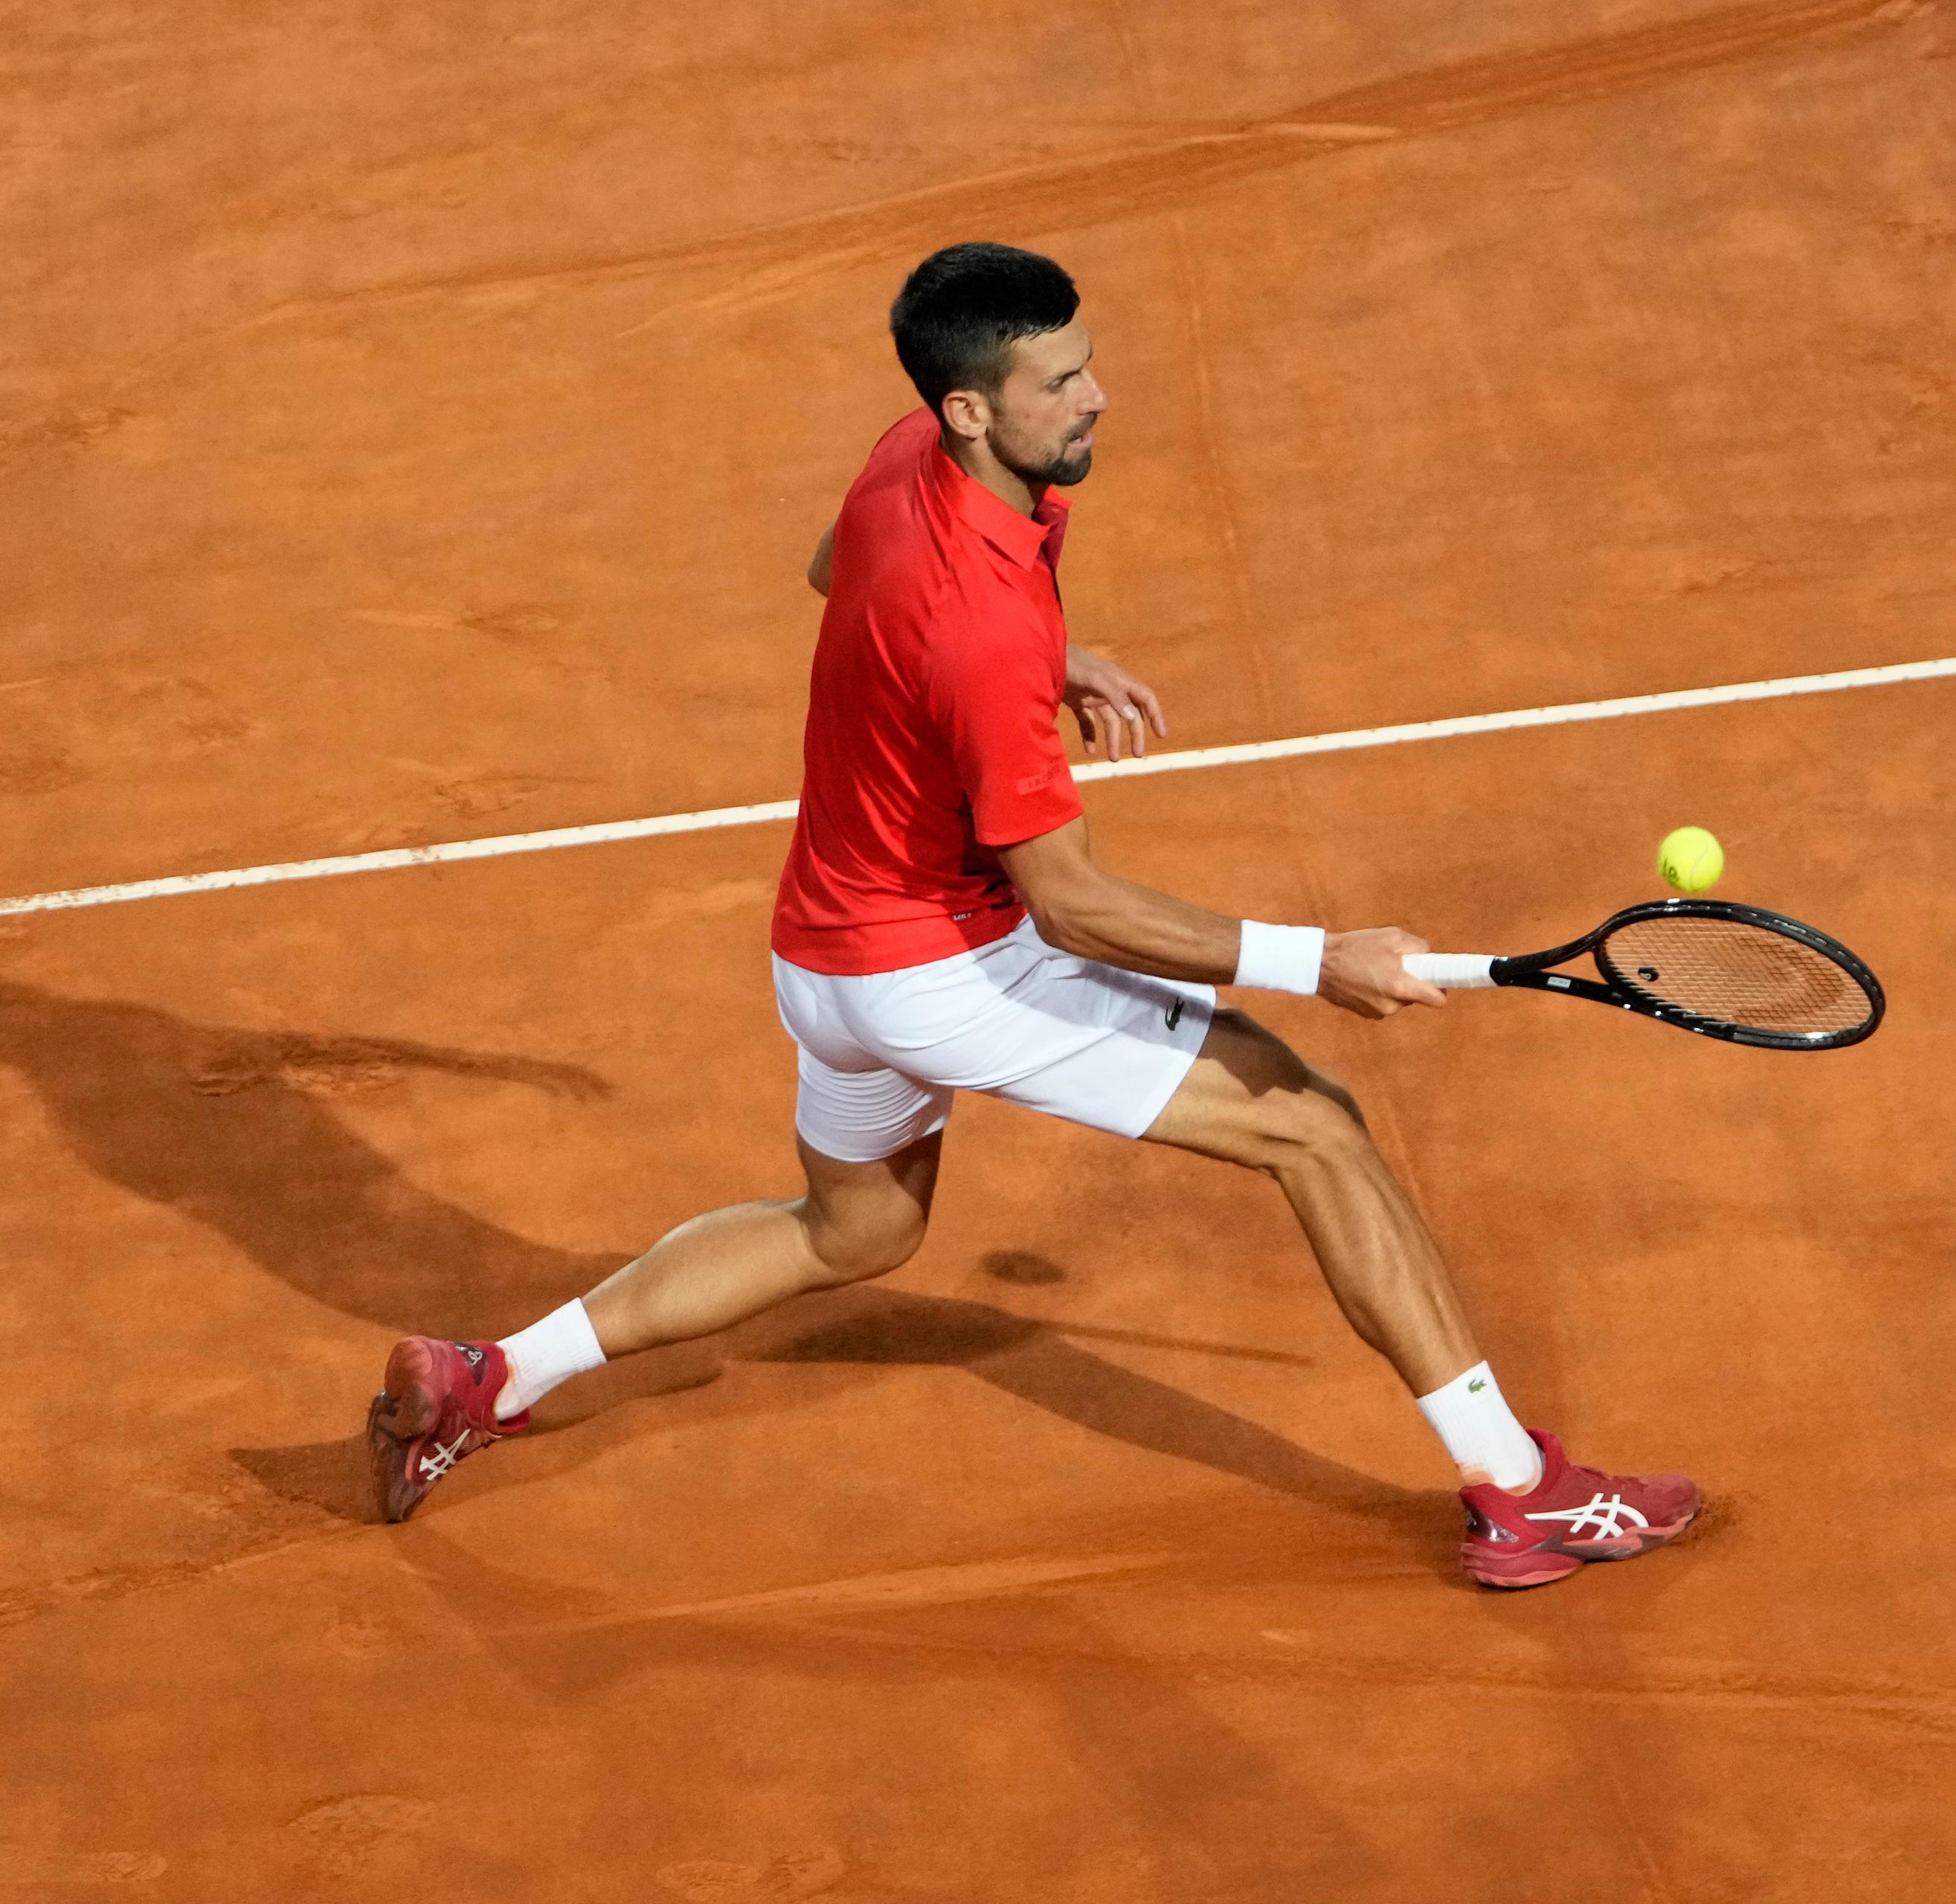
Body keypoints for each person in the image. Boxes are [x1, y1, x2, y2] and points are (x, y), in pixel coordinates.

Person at [365, 242, 1696, 1589]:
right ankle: (1519, 1494)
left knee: (856, 1233)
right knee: (1311, 1126)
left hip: (821, 960)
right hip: (947, 970)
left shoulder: (906, 464)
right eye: (1058, 381)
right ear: (971, 410)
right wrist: (1319, 960)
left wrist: (1048, 656)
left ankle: (493, 1375)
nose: (1095, 396)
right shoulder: (981, 628)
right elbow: (1069, 907)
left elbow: (845, 574)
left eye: (1087, 363)